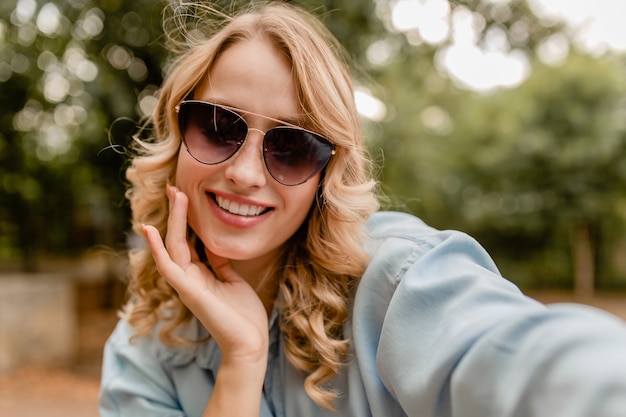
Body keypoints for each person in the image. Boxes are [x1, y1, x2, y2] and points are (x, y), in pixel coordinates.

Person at [99, 2, 626, 416]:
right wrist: (242, 360)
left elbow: (527, 365)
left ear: (326, 176)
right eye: (217, 127)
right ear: (177, 135)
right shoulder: (140, 353)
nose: (245, 173)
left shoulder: (396, 283)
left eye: (292, 147)